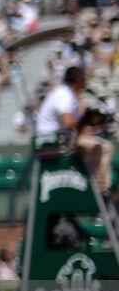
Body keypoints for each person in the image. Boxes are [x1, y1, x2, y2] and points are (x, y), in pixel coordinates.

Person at [37, 66, 114, 198]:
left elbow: (78, 126)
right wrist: (86, 119)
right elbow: (68, 123)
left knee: (99, 145)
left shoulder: (70, 94)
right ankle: (98, 189)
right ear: (78, 79)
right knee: (105, 147)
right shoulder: (63, 94)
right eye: (84, 79)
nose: (86, 82)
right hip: (52, 140)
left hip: (62, 138)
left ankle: (95, 185)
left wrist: (95, 123)